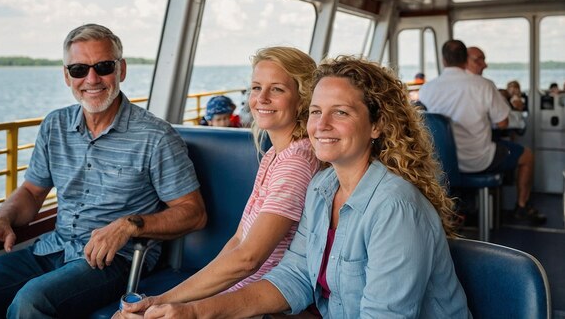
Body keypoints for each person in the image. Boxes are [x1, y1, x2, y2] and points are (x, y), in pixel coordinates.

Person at [126, 56, 470, 318]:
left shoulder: (394, 207)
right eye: (317, 111)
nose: (321, 125)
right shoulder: (322, 187)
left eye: (341, 113)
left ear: (377, 124)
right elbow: (294, 277)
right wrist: (193, 312)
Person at [0, 24, 207, 318]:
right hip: (54, 247)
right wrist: (0, 218)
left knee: (31, 303)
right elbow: (32, 191)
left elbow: (193, 213)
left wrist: (129, 225)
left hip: (115, 259)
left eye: (104, 66)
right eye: (79, 69)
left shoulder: (156, 136)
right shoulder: (54, 125)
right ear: (67, 76)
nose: (91, 79)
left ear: (122, 70)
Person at [118, 46, 320, 318]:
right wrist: (185, 296)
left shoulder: (296, 162)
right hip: (237, 292)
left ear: (302, 98)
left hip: (260, 304)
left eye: (277, 90)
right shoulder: (274, 153)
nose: (261, 98)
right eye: (256, 88)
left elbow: (249, 258)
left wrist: (162, 301)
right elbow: (238, 240)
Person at [419, 40, 545, 224]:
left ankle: (465, 208)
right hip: (478, 160)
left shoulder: (426, 89)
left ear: (443, 60)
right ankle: (522, 206)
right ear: (465, 60)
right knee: (527, 156)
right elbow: (502, 122)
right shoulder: (483, 85)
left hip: (442, 163)